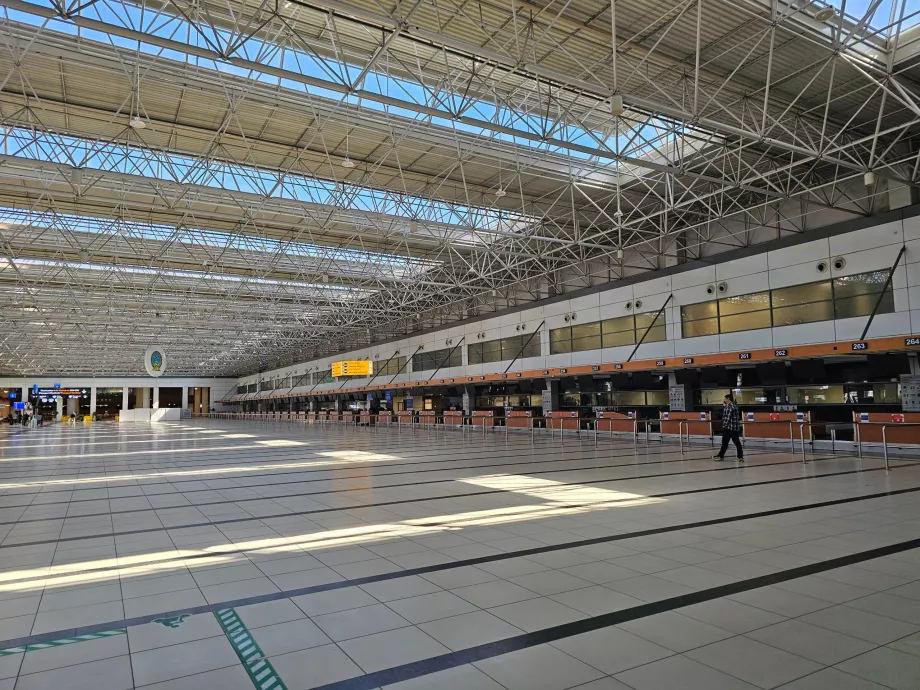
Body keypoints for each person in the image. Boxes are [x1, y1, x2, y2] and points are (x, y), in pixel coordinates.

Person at [713, 392, 744, 462]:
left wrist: (724, 425)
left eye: (725, 398)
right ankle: (740, 456)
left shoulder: (729, 406)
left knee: (724, 442)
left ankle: (720, 455)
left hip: (729, 427)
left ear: (728, 399)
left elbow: (727, 417)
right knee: (736, 442)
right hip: (735, 428)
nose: (724, 400)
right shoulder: (734, 405)